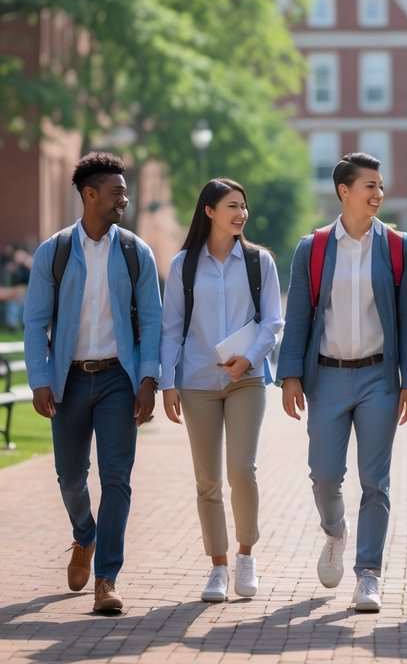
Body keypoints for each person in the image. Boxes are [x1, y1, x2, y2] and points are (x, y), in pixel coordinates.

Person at [276, 152, 407, 613]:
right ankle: (336, 531)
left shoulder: (400, 248)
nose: (378, 194)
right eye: (369, 186)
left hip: (380, 376)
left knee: (375, 481)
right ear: (344, 191)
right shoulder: (314, 248)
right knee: (324, 475)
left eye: (381, 186)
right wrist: (290, 375)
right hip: (327, 378)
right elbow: (299, 314)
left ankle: (368, 574)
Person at [23, 152, 163, 613]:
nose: (124, 198)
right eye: (117, 191)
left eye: (125, 191)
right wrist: (40, 378)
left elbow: (155, 322)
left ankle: (107, 578)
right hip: (69, 380)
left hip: (119, 381)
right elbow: (35, 321)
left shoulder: (135, 251)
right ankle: (85, 535)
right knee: (69, 478)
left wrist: (149, 379)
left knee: (117, 480)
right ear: (89, 194)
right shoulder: (55, 251)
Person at [158, 178, 283, 603]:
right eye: (232, 205)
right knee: (207, 480)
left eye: (244, 206)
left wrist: (248, 360)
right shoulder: (183, 266)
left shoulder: (259, 261)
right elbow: (172, 327)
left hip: (246, 379)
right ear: (209, 210)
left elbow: (272, 323)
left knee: (241, 470)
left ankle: (247, 555)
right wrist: (168, 383)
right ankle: (218, 565)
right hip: (197, 381)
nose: (241, 214)